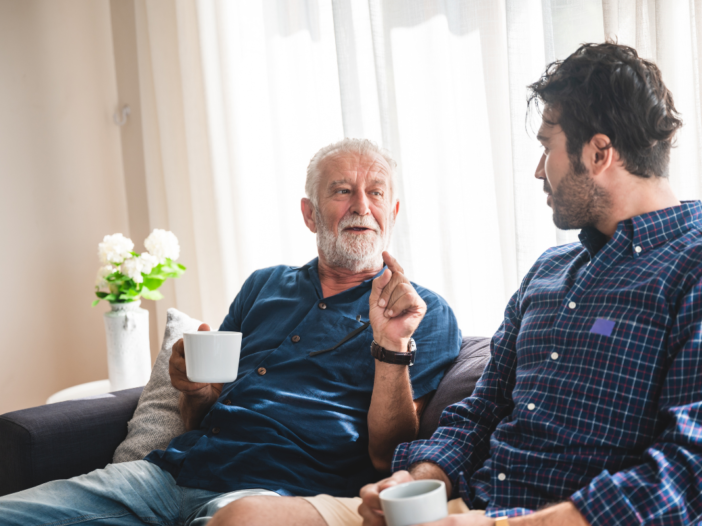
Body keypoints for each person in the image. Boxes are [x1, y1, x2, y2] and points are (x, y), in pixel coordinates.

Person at [0, 139, 461, 525]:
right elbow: (201, 413)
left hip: (273, 495)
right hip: (168, 474)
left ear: (393, 210)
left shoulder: (422, 312)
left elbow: (390, 455)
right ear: (309, 213)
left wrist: (391, 345)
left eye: (376, 193)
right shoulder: (264, 285)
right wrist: (194, 389)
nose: (362, 206)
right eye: (342, 191)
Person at [352, 42, 702, 526]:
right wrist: (419, 479)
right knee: (244, 514)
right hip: (468, 509)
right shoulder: (549, 270)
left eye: (546, 147)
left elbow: (689, 472)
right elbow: (483, 411)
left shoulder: (693, 268)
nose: (540, 171)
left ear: (599, 152)